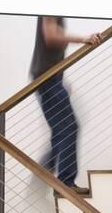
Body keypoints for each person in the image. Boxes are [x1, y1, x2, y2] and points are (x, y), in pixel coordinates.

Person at [30, 16, 102, 194]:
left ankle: (39, 184)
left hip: (50, 79)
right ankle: (65, 183)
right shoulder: (51, 4)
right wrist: (83, 39)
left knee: (60, 133)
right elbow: (51, 37)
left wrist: (60, 79)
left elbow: (50, 44)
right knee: (69, 127)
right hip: (47, 79)